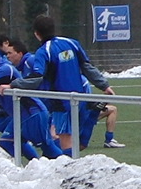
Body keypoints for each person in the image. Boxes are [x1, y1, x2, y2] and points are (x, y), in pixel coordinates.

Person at [16, 15, 115, 150]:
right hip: (80, 99)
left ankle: (68, 163)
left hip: (61, 103)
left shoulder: (44, 51)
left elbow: (36, 77)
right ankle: (92, 116)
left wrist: (13, 85)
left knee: (66, 143)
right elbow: (87, 66)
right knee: (78, 144)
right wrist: (104, 85)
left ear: (36, 34)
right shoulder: (71, 42)